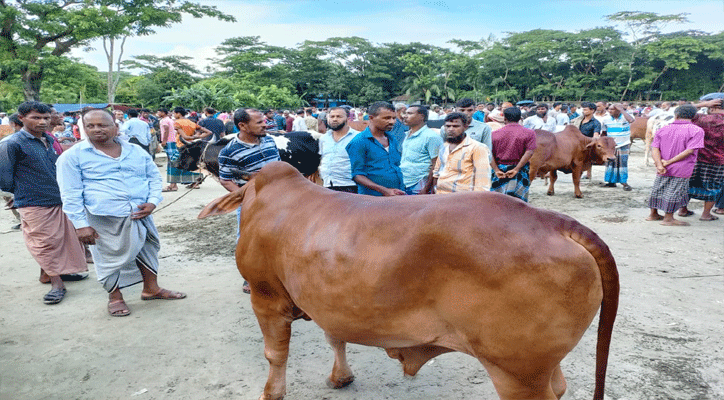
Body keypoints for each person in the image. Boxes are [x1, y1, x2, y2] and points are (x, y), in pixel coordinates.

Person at [57, 109, 184, 317]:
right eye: (91, 126)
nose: (97, 129)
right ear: (84, 128)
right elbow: (70, 193)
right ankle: (115, 298)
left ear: (116, 127)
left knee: (148, 249)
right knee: (108, 258)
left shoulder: (136, 151)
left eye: (103, 125)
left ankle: (151, 289)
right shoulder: (72, 157)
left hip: (140, 213)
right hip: (103, 218)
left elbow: (152, 177)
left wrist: (152, 202)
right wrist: (80, 225)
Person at [0, 101, 88, 305]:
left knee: (59, 240)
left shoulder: (48, 138)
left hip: (58, 198)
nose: (42, 122)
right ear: (21, 119)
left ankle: (48, 273)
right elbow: (4, 178)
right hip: (33, 201)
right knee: (44, 243)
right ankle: (57, 284)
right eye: (36, 118)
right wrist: (21, 193)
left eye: (45, 118)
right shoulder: (11, 144)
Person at [218, 108, 281, 294]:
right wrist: (246, 197)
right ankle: (249, 278)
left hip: (277, 200)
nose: (265, 125)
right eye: (259, 123)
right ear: (242, 126)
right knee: (249, 240)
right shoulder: (229, 151)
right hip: (251, 203)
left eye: (264, 121)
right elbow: (225, 179)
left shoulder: (269, 141)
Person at [646, 105, 705, 226]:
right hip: (682, 166)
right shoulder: (696, 130)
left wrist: (659, 164)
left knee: (658, 187)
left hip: (662, 165)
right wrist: (669, 161)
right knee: (675, 191)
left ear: (676, 115)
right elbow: (689, 151)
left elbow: (655, 148)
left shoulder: (663, 129)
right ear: (694, 116)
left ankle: (653, 214)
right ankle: (668, 218)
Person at [345, 101, 406, 196]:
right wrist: (384, 190)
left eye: (394, 118)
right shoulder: (359, 141)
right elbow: (358, 175)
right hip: (372, 199)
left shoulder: (391, 139)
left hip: (396, 195)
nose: (392, 121)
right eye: (386, 118)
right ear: (371, 118)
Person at [678, 98, 724, 221]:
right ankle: (706, 214)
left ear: (712, 107)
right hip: (718, 160)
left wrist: (703, 104)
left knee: (688, 183)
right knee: (713, 186)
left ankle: (683, 209)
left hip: (695, 157)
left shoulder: (700, 118)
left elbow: (683, 110)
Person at [429, 112, 491, 194]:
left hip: (462, 198)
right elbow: (436, 173)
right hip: (441, 196)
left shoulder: (478, 148)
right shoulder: (444, 147)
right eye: (448, 126)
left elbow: (482, 181)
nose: (451, 129)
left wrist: (477, 201)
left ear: (465, 127)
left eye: (455, 126)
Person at [490, 107, 537, 201]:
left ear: (504, 119)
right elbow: (529, 152)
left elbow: (489, 154)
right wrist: (516, 169)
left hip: (500, 170)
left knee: (497, 201)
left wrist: (496, 170)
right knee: (519, 203)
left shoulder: (494, 134)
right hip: (520, 171)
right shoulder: (530, 133)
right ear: (520, 118)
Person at [400, 105, 443, 194]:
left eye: (410, 113)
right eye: (405, 113)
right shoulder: (407, 135)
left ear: (421, 117)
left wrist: (426, 188)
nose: (405, 116)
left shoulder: (431, 137)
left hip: (419, 183)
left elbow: (436, 165)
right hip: (405, 181)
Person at [318, 107, 360, 193]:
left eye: (339, 116)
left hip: (350, 186)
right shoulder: (324, 138)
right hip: (328, 185)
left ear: (348, 119)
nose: (334, 119)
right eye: (332, 116)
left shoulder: (357, 138)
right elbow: (322, 158)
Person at [173, 106, 212, 189]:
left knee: (174, 165)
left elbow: (184, 137)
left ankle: (173, 185)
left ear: (178, 113)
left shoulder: (177, 123)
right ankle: (195, 183)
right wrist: (198, 137)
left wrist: (194, 137)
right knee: (192, 165)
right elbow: (209, 132)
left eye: (174, 113)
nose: (173, 115)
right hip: (192, 145)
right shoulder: (191, 122)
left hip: (181, 146)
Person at [601, 103, 635, 190]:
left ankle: (624, 182)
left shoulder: (626, 117)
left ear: (618, 110)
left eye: (612, 109)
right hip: (611, 146)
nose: (610, 111)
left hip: (624, 144)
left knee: (622, 163)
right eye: (609, 109)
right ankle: (611, 182)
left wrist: (622, 110)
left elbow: (631, 120)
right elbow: (604, 132)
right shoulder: (605, 119)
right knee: (610, 164)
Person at [156, 108, 179, 192]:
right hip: (172, 141)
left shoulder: (164, 121)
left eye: (159, 112)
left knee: (172, 162)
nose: (157, 113)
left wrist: (164, 140)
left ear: (163, 112)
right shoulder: (170, 120)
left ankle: (173, 185)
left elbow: (166, 130)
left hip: (169, 142)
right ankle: (173, 184)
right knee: (171, 162)